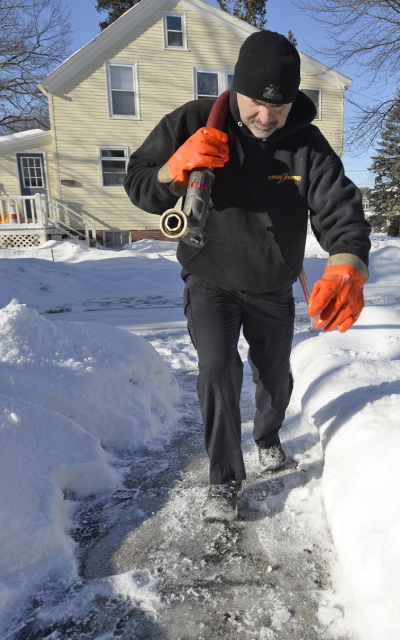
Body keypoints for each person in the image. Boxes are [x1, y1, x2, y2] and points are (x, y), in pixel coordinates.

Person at [124, 30, 371, 522]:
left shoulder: (305, 143)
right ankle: (224, 481)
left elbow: (340, 209)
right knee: (217, 370)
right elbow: (139, 184)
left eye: (277, 107)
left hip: (271, 282)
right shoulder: (194, 121)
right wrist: (175, 168)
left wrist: (348, 264)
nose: (266, 116)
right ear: (238, 88)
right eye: (257, 102)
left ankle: (267, 435)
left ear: (293, 100)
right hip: (209, 277)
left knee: (274, 378)